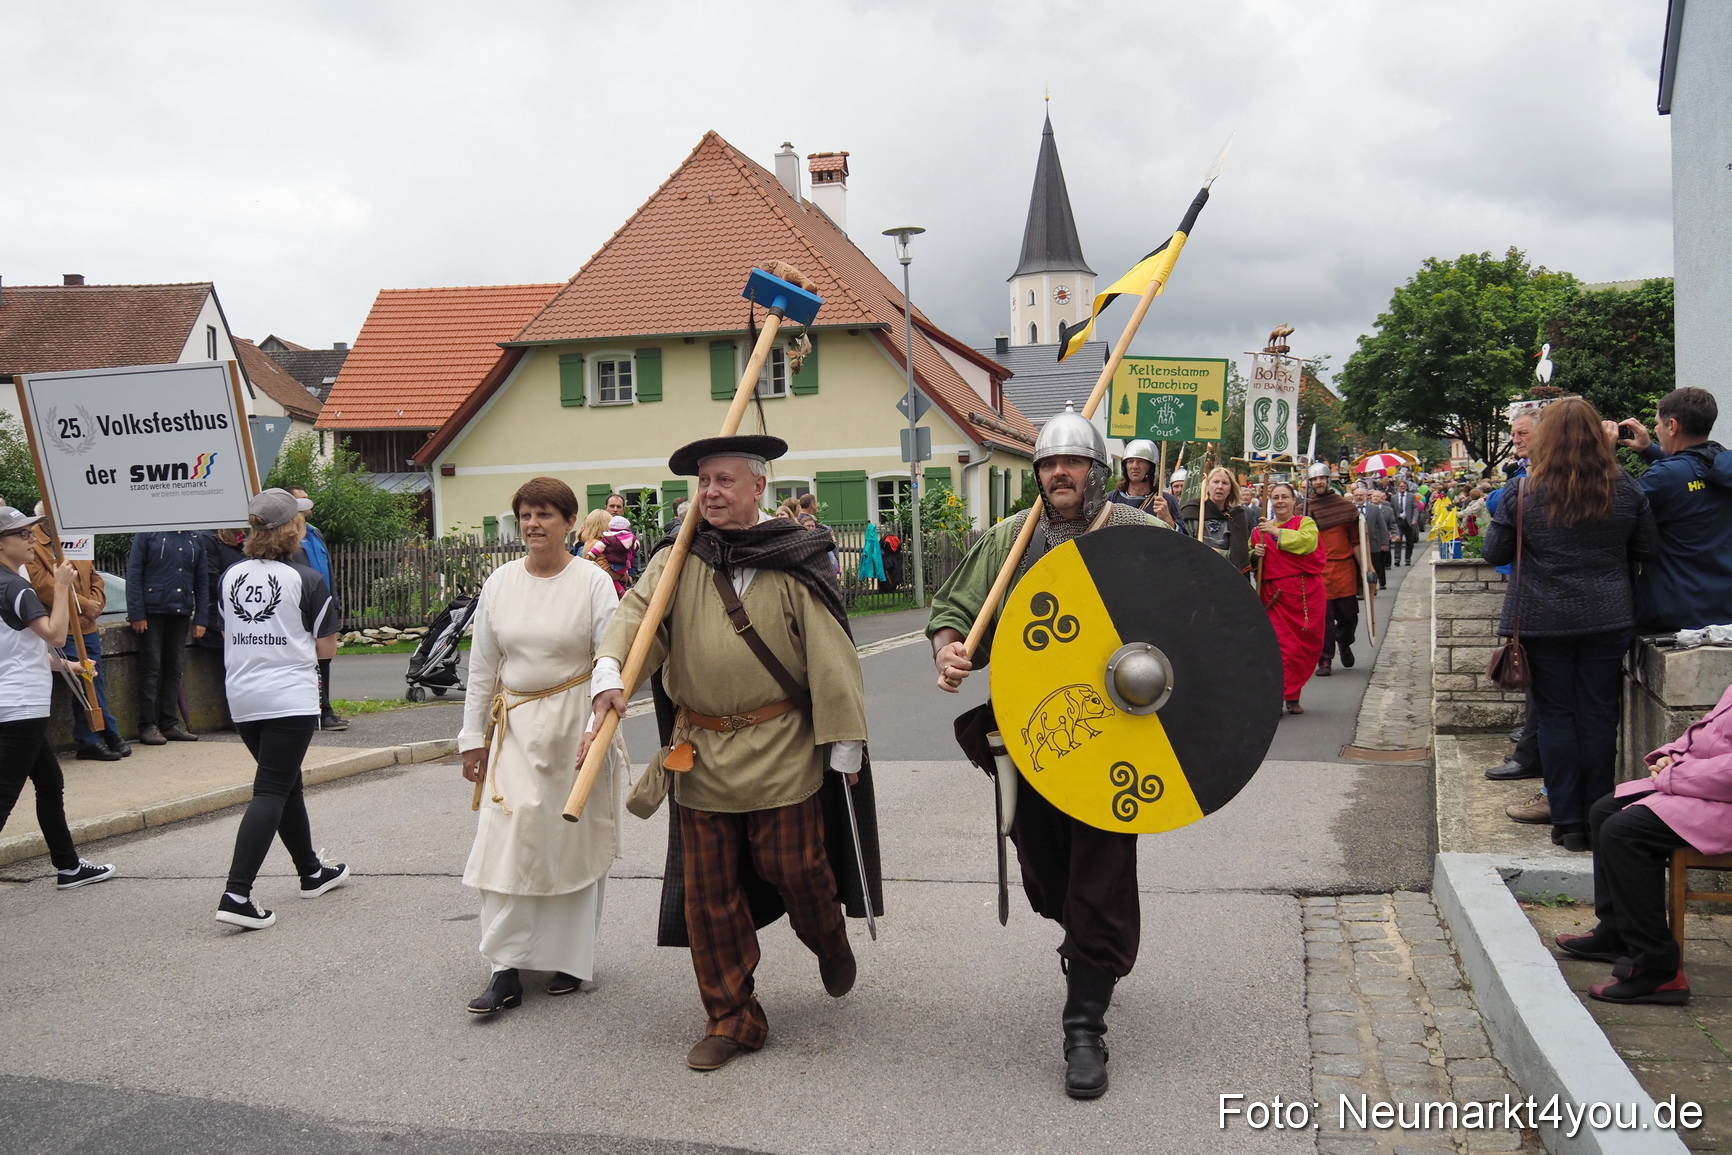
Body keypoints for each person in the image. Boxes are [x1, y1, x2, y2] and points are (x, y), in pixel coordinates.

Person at [584, 435, 877, 1073]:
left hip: (781, 746)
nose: (711, 493)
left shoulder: (796, 556)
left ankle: (827, 937)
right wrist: (610, 674)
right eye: (703, 482)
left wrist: (844, 742)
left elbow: (831, 655)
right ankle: (732, 1016)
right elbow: (637, 621)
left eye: (724, 481)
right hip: (701, 749)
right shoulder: (677, 558)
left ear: (757, 487)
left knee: (794, 867)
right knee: (708, 894)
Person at [927, 405, 1163, 1100]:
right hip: (1035, 735)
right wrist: (949, 649)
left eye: (1072, 461)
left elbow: (1191, 618)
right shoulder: (1011, 537)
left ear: (1099, 469)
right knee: (1047, 875)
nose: (1059, 472)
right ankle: (1086, 941)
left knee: (1102, 868)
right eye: (1048, 463)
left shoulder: (1140, 532)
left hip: (1117, 736)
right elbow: (953, 611)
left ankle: (1084, 1024)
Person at [458, 478, 626, 1014]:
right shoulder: (500, 583)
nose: (533, 524)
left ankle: (569, 961)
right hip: (513, 728)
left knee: (568, 844)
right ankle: (503, 966)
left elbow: (610, 653)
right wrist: (471, 739)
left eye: (545, 515)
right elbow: (483, 666)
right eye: (526, 514)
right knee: (506, 839)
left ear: (569, 523)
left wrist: (600, 718)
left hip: (574, 725)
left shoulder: (593, 583)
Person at [1482, 398, 1657, 852]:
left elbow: (1494, 553)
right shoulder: (1625, 487)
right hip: (1607, 617)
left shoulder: (1525, 491)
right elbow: (1646, 548)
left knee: (1556, 718)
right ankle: (1599, 816)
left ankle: (1567, 820)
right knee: (1599, 715)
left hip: (1544, 619)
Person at [213, 489, 348, 930]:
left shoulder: (230, 575)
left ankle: (311, 871)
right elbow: (325, 647)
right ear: (295, 529)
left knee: (287, 784)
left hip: (243, 695)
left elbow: (227, 627)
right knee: (271, 788)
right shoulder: (307, 579)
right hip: (289, 695)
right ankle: (236, 893)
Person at [1555, 678, 1732, 1005]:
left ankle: (1658, 969)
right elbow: (1708, 730)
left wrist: (1674, 775)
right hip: (1711, 793)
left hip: (1722, 800)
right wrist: (1672, 754)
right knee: (1604, 811)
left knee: (1624, 832)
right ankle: (1618, 932)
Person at [0, 506, 116, 890]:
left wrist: (70, 668)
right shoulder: (14, 587)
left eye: (31, 533)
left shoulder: (8, 583)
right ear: (3, 545)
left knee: (49, 782)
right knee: (5, 797)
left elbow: (24, 650)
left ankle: (68, 866)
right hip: (20, 706)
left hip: (14, 701)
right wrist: (65, 587)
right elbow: (52, 634)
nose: (32, 540)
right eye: (23, 536)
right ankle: (68, 866)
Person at [1605, 387, 1732, 633]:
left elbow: (1617, 506)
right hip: (1723, 608)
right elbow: (1690, 473)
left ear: (1672, 426)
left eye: (1657, 424)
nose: (1655, 430)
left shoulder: (1667, 476)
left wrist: (1605, 454)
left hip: (1677, 611)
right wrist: (1648, 449)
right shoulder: (1722, 464)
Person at [27, 518, 125, 760]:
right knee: (83, 680)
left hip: (86, 626)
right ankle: (100, 733)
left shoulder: (75, 537)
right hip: (64, 627)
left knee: (93, 679)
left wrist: (95, 605)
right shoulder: (34, 543)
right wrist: (82, 606)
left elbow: (95, 577)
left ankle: (98, 732)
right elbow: (43, 586)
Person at [1486, 406, 1547, 789]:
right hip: (1552, 595)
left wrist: (1512, 489)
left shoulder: (1534, 480)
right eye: (1514, 432)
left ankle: (1534, 760)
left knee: (1546, 688)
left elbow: (1496, 517)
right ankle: (1530, 747)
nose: (1516, 439)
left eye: (1523, 432)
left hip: (1545, 598)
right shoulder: (1524, 476)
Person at [125, 529, 207, 744]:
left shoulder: (195, 537)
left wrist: (201, 618)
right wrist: (137, 613)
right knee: (151, 667)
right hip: (152, 610)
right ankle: (148, 724)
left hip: (181, 609)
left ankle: (169, 722)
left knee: (174, 667)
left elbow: (201, 578)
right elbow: (134, 572)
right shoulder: (147, 534)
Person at [1251, 481, 1326, 715]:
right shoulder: (1258, 532)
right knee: (1281, 649)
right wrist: (1256, 555)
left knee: (1301, 650)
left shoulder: (1305, 524)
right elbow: (1251, 561)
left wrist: (1276, 532)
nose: (1280, 501)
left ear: (1295, 501)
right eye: (1276, 497)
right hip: (1274, 598)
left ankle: (1293, 696)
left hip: (1304, 595)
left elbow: (1307, 544)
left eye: (1285, 497)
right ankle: (1278, 697)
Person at [288, 488, 347, 732]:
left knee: (324, 659)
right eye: (301, 498)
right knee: (306, 660)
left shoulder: (315, 533)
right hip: (302, 607)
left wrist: (334, 600)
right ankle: (316, 710)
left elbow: (325, 570)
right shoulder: (290, 537)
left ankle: (324, 709)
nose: (307, 501)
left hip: (323, 603)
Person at [1305, 463, 1362, 677]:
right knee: (1323, 619)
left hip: (1345, 568)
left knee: (1349, 616)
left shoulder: (1344, 507)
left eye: (1321, 478)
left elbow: (1355, 541)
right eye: (1314, 479)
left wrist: (1366, 568)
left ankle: (1344, 642)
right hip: (1319, 570)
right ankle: (1325, 659)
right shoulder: (1306, 509)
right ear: (1310, 483)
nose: (1318, 482)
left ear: (1329, 480)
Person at [1180, 466, 1252, 572]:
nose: (1220, 487)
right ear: (1207, 486)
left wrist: (1216, 553)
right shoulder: (1193, 511)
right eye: (1216, 482)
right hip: (1195, 572)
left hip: (1223, 575)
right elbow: (1183, 545)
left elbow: (1239, 557)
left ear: (1230, 489)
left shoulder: (1236, 518)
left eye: (1225, 483)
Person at [1106, 439, 1174, 527]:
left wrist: (1168, 520)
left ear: (1151, 467)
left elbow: (1183, 538)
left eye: (1140, 461)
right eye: (1130, 461)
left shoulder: (1165, 501)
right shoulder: (1111, 499)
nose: (1134, 466)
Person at [1363, 490, 1395, 591]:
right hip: (1363, 541)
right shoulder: (1362, 508)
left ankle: (1381, 582)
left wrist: (1385, 541)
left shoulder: (1385, 510)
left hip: (1376, 540)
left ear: (1382, 498)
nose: (1375, 498)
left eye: (1377, 497)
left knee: (1378, 563)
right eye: (1373, 496)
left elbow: (1383, 526)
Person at [1390, 480, 1419, 566]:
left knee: (1409, 541)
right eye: (1401, 486)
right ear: (1398, 487)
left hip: (1408, 521)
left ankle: (1407, 558)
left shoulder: (1411, 496)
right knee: (1398, 540)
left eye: (1404, 486)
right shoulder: (1394, 498)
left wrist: (1414, 519)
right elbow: (1392, 510)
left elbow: (1415, 508)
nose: (1402, 488)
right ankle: (1397, 558)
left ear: (1406, 487)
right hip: (1398, 521)